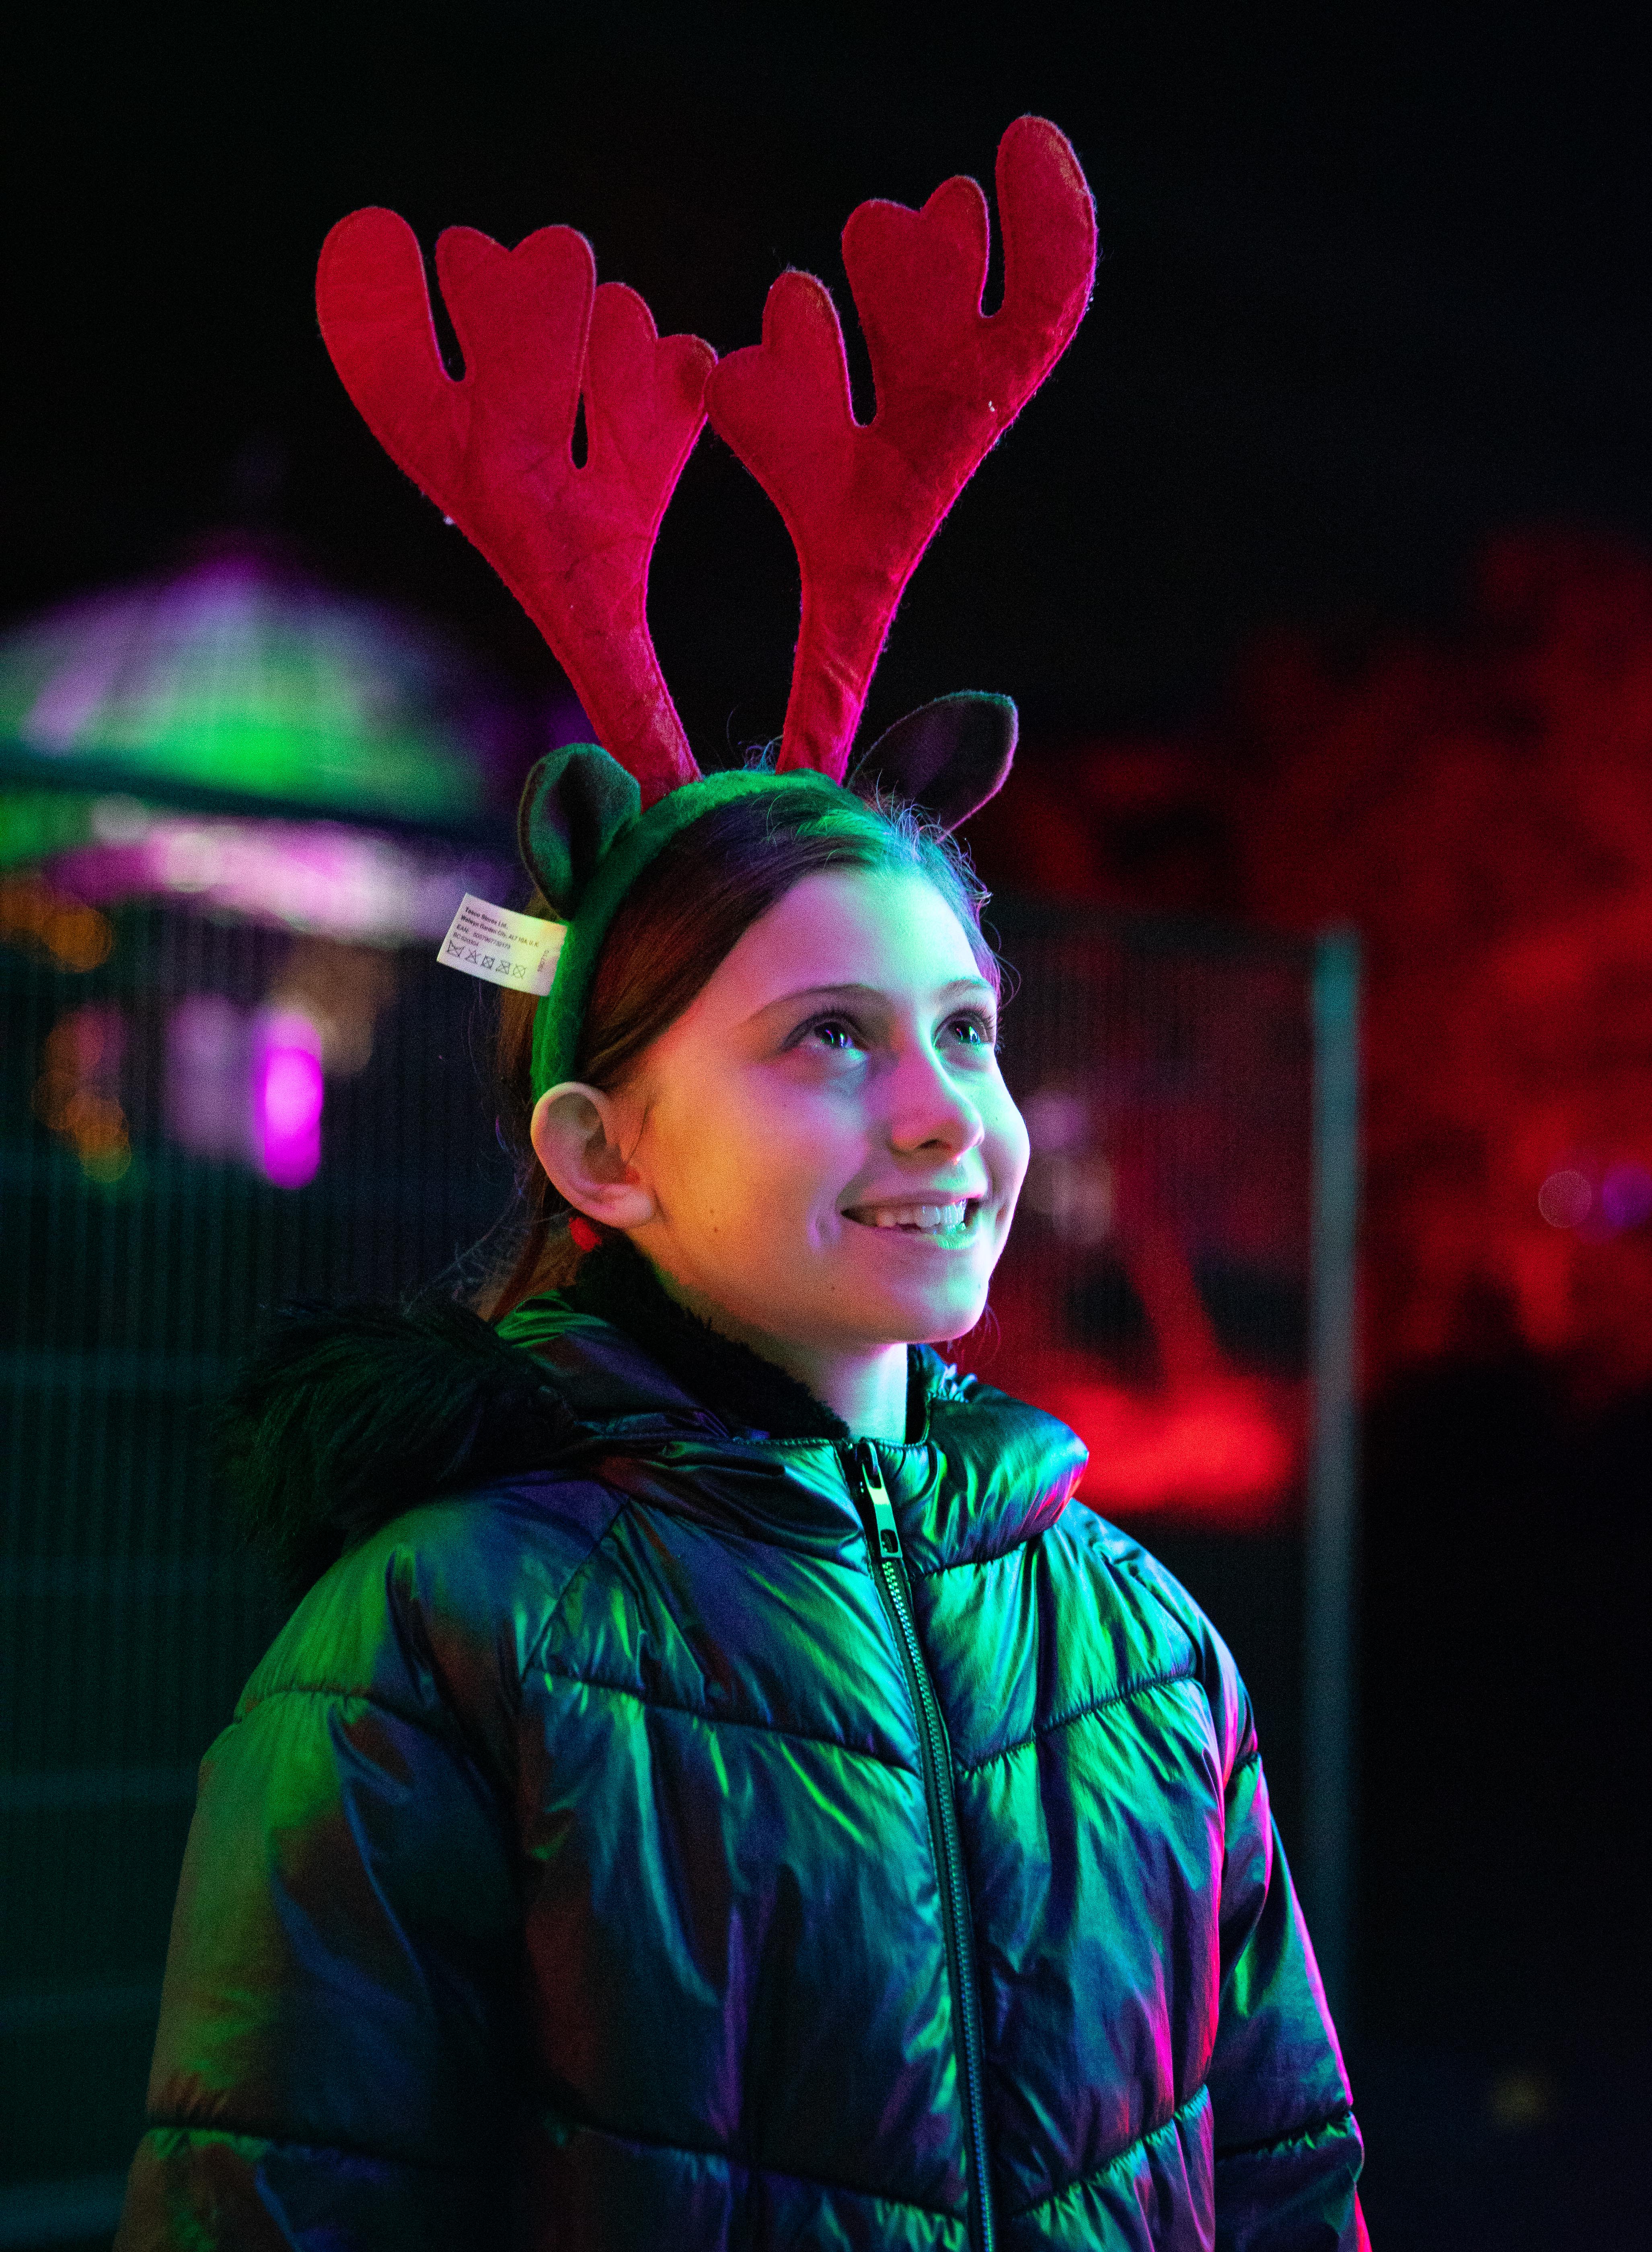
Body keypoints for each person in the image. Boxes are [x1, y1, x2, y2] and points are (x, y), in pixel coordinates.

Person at [117, 118, 1368, 2250]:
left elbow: (1285, 2173)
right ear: (597, 1153)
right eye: (827, 1041)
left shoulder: (1143, 1646)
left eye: (968, 1030)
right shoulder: (439, 1649)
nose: (943, 1114)